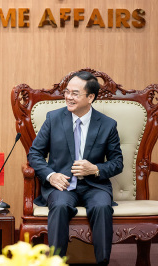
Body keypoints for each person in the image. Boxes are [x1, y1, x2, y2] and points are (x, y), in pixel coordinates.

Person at [28, 71, 123, 265]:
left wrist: (95, 169)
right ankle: (56, 262)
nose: (68, 97)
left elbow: (117, 163)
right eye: (67, 92)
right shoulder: (53, 119)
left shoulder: (107, 125)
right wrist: (51, 175)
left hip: (94, 186)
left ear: (90, 97)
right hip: (62, 185)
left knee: (102, 207)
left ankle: (103, 262)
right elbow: (34, 154)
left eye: (75, 93)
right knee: (60, 206)